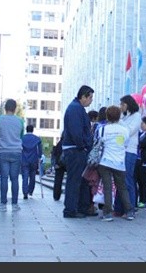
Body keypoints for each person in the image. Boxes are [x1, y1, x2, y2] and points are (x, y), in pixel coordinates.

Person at [60, 85, 97, 218]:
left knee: (80, 181)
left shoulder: (77, 108)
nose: (91, 101)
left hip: (76, 149)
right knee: (74, 181)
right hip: (75, 149)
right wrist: (83, 146)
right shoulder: (75, 109)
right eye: (90, 97)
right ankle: (70, 210)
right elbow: (76, 132)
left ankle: (81, 207)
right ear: (83, 96)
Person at [96, 105, 135, 221]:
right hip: (119, 162)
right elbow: (125, 144)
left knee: (107, 188)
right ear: (119, 116)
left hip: (105, 161)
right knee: (122, 187)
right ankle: (129, 211)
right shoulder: (124, 130)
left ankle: (107, 213)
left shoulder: (103, 129)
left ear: (107, 116)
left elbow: (100, 142)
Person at [112, 94, 141, 218]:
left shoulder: (136, 116)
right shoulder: (124, 117)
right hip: (121, 150)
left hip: (130, 151)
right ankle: (119, 208)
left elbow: (128, 131)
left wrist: (119, 122)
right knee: (119, 180)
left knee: (128, 180)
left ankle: (130, 208)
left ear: (128, 105)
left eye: (122, 104)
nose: (121, 107)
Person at [0, 98, 25, 211]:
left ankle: (3, 204)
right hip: (16, 151)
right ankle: (15, 204)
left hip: (3, 151)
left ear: (5, 108)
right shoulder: (20, 121)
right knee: (15, 178)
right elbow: (21, 136)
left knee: (4, 178)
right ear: (15, 108)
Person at [21, 124, 43, 199]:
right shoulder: (37, 138)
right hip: (34, 159)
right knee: (32, 176)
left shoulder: (22, 138)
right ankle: (30, 191)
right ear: (33, 130)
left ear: (26, 130)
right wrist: (39, 157)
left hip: (24, 159)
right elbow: (40, 149)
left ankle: (25, 192)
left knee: (25, 176)